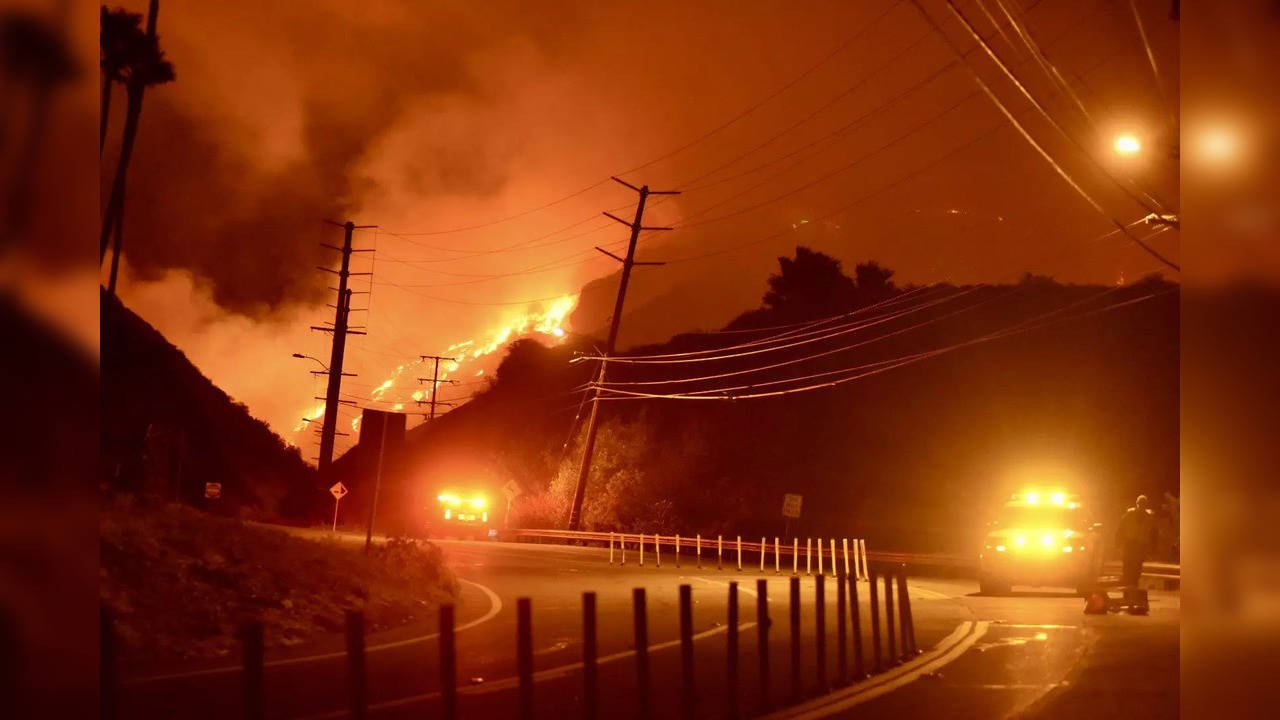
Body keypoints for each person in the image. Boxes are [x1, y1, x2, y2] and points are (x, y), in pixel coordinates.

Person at [1116, 494, 1157, 587]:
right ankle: (1127, 582)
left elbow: (1154, 532)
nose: (1141, 506)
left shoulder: (1149, 516)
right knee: (1127, 563)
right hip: (1130, 542)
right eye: (1140, 504)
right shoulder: (1130, 514)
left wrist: (1153, 546)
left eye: (1143, 504)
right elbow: (1121, 528)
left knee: (1137, 565)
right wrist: (1118, 541)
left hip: (1140, 544)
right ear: (1137, 504)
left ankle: (1133, 583)